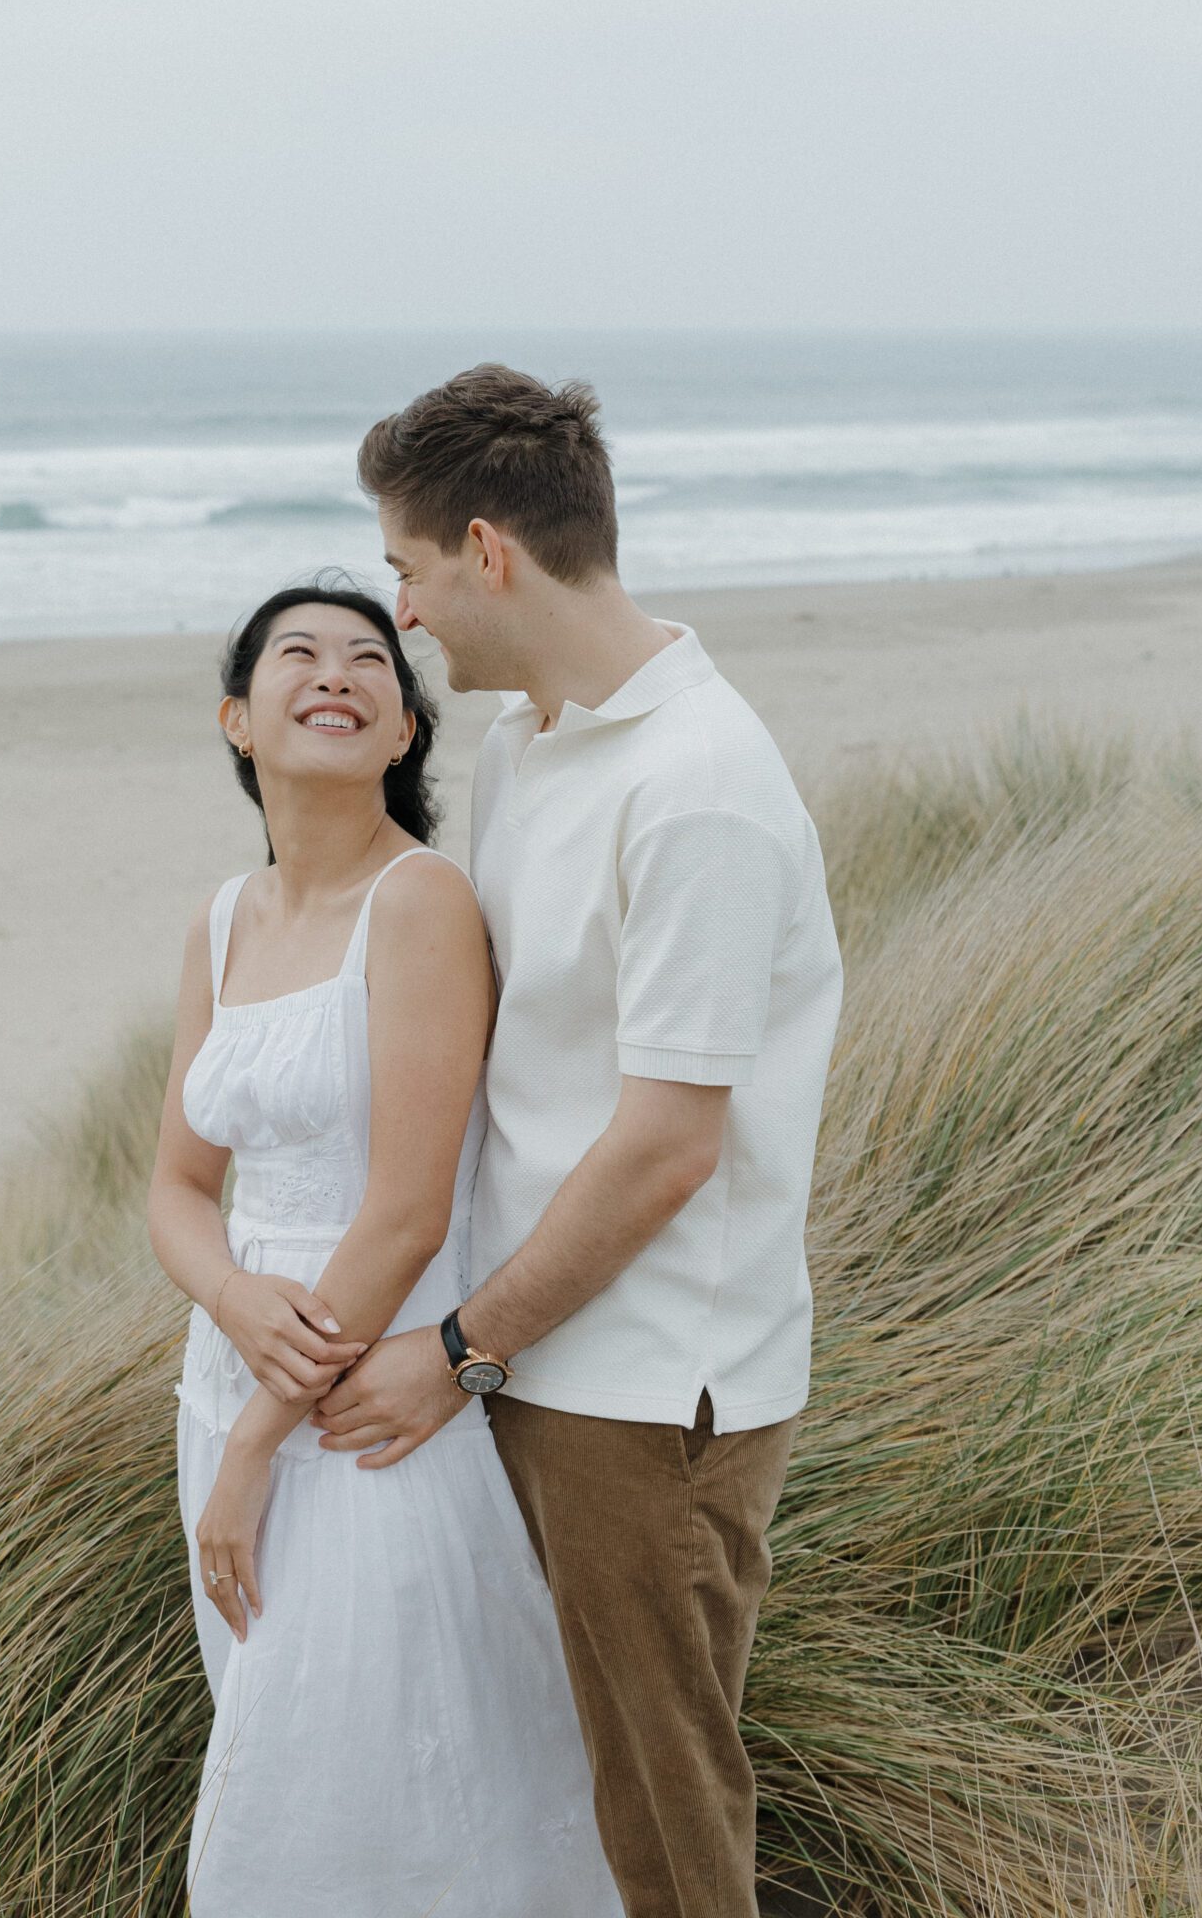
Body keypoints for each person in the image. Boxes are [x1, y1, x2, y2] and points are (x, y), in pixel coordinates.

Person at [314, 366, 843, 1918]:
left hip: (644, 1390)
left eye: (405, 571)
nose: (402, 614)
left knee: (666, 1821)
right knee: (562, 1787)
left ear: (487, 553)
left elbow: (668, 1148)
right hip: (538, 1359)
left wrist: (460, 1348)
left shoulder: (701, 792)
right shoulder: (526, 743)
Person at [145, 579, 622, 1918]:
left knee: (376, 1794)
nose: (336, 674)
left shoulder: (420, 904)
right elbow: (178, 1186)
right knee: (288, 1761)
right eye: (296, 656)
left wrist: (258, 1450)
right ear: (239, 719)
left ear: (405, 733)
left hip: (370, 1406)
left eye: (371, 660)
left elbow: (410, 1208)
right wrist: (233, 1300)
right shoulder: (223, 921)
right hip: (228, 1379)